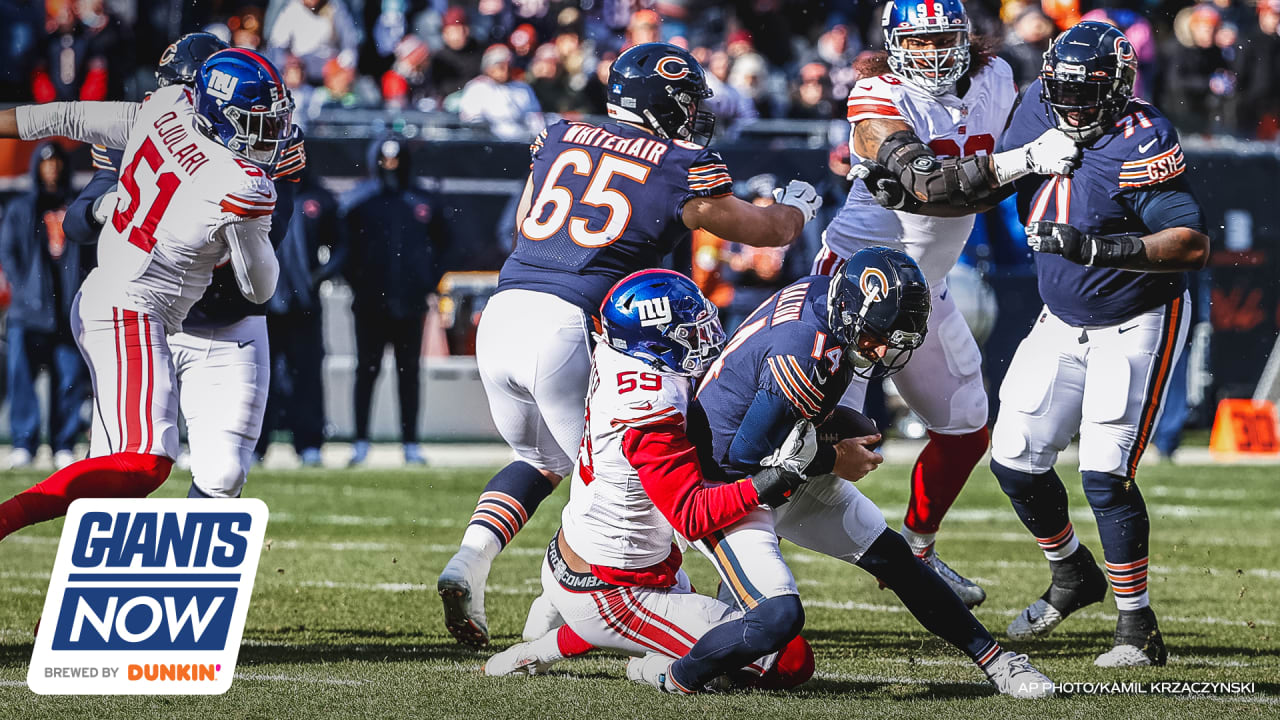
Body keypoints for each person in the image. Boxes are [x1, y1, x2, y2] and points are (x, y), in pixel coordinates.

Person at [437, 42, 823, 649]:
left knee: (542, 461)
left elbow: (533, 223)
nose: (696, 113)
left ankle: (469, 561)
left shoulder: (560, 134)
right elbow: (765, 232)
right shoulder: (677, 165)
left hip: (503, 311)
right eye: (688, 101)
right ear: (663, 102)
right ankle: (564, 611)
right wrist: (798, 209)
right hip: (565, 326)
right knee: (625, 487)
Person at [674, 248, 1053, 699]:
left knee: (894, 557)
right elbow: (747, 458)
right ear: (850, 310)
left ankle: (999, 663)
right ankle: (676, 673)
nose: (879, 348)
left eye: (891, 336)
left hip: (770, 459)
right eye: (874, 334)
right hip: (723, 486)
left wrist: (826, 439)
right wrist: (832, 459)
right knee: (777, 620)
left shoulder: (820, 297)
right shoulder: (804, 355)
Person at [810, 0, 1079, 607]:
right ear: (893, 42)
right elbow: (931, 184)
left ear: (965, 38)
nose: (932, 53)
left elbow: (990, 177)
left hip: (922, 291)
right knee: (818, 448)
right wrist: (1024, 161)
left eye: (942, 39)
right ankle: (736, 576)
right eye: (919, 40)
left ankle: (919, 553)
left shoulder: (997, 78)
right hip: (850, 295)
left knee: (964, 429)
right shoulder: (876, 95)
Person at [0, 47, 289, 540]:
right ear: (221, 114)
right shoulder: (240, 183)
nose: (273, 135)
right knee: (144, 464)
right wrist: (245, 229)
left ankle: (75, 613)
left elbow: (63, 115)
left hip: (119, 299)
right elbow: (260, 286)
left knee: (122, 471)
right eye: (257, 122)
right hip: (131, 310)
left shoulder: (167, 107)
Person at [992, 21, 1210, 667]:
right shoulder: (1035, 104)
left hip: (1137, 314)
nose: (1073, 105)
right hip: (1059, 314)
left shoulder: (1142, 136)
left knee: (1105, 475)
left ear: (1117, 89)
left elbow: (1191, 243)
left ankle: (1138, 627)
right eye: (1063, 90)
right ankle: (1072, 573)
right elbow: (994, 182)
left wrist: (1095, 248)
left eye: (1087, 93)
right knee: (1014, 460)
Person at [483, 269, 815, 693]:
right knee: (786, 660)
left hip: (605, 558)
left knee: (710, 633)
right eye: (687, 331)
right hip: (610, 590)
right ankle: (651, 671)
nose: (702, 338)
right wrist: (774, 480)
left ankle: (540, 650)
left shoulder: (617, 352)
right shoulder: (648, 404)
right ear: (655, 342)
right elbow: (690, 516)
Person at [62, 34, 305, 500]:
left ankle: (182, 576)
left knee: (224, 471)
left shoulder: (260, 141)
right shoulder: (140, 129)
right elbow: (78, 219)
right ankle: (106, 575)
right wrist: (106, 207)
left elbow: (267, 245)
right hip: (142, 318)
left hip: (224, 320)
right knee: (117, 471)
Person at [342, 135, 449, 467]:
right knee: (366, 371)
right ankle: (360, 441)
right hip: (370, 303)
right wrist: (359, 282)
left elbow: (446, 244)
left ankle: (410, 443)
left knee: (409, 373)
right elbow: (346, 251)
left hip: (410, 301)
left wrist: (426, 280)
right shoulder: (360, 203)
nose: (391, 165)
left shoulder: (423, 201)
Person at [0, 142, 90, 470]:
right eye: (46, 164)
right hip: (28, 311)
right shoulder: (22, 208)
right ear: (37, 167)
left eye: (57, 164)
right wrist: (24, 288)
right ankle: (24, 443)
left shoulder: (78, 208)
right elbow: (7, 251)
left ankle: (63, 443)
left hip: (67, 311)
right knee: (22, 377)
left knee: (68, 376)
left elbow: (90, 254)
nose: (51, 170)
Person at [257, 162, 343, 466]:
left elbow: (341, 244)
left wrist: (318, 276)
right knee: (259, 377)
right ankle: (256, 445)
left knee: (307, 375)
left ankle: (309, 444)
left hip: (303, 304)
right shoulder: (258, 189)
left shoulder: (319, 198)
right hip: (263, 303)